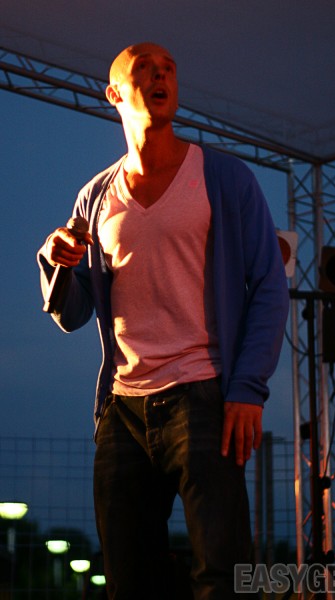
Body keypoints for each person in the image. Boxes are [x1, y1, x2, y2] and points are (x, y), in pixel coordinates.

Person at [38, 42, 289, 600]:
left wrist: (247, 389)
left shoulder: (224, 178)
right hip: (122, 410)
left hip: (204, 396)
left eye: (169, 68)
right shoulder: (95, 197)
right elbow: (72, 314)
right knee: (128, 579)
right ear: (114, 93)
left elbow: (271, 287)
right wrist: (56, 261)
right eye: (145, 69)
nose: (161, 76)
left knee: (222, 575)